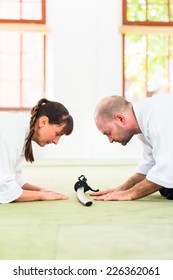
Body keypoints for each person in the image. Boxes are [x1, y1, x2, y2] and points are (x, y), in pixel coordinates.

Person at [91, 93, 173, 201]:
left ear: (120, 119)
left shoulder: (158, 117)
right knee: (163, 186)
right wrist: (120, 190)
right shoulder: (142, 123)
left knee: (166, 185)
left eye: (108, 133)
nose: (110, 140)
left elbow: (167, 169)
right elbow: (147, 167)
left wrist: (129, 194)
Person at [0, 98, 73, 203]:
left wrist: (40, 190)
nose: (56, 142)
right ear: (43, 122)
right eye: (57, 134)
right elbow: (4, 190)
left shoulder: (20, 131)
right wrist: (42, 195)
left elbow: (15, 178)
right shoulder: (11, 134)